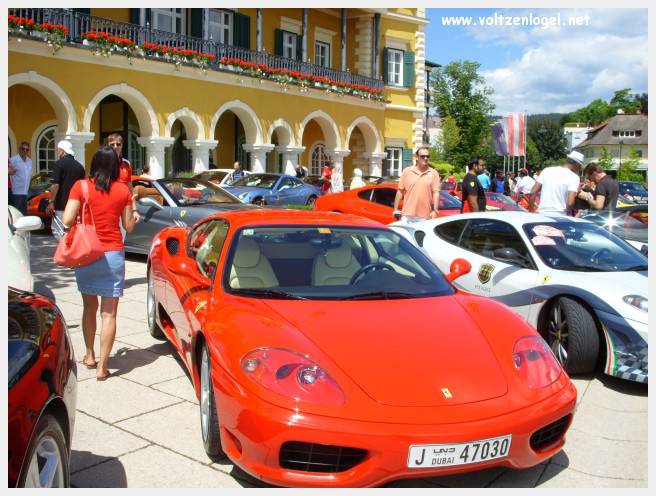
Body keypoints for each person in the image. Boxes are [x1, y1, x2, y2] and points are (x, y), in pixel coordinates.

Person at [61, 146, 137, 381]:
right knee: (109, 314)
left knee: (89, 308)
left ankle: (90, 355)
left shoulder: (81, 186)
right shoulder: (123, 190)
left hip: (87, 253)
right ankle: (103, 367)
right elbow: (129, 226)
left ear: (93, 164)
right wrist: (134, 214)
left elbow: (66, 220)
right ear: (116, 166)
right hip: (113, 253)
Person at [47, 140, 86, 240]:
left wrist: (51, 201)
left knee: (59, 233)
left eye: (58, 150)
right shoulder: (80, 167)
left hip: (61, 206)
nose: (57, 152)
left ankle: (63, 254)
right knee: (72, 234)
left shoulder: (59, 164)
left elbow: (55, 185)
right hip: (75, 206)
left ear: (62, 151)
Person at [393, 146, 441, 220]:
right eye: (423, 156)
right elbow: (400, 191)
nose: (425, 158)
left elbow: (436, 193)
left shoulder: (434, 173)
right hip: (407, 215)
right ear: (417, 157)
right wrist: (395, 210)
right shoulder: (407, 171)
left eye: (427, 156)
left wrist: (435, 210)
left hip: (425, 216)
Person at [529, 151, 583, 215]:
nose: (579, 169)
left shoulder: (547, 170)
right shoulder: (574, 177)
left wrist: (532, 211)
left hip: (542, 213)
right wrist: (567, 212)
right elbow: (570, 203)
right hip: (560, 216)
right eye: (579, 167)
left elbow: (533, 192)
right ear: (576, 165)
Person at [105, 133, 139, 232]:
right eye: (112, 144)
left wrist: (134, 209)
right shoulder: (103, 162)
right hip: (108, 206)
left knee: (122, 235)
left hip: (124, 205)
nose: (115, 147)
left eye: (118, 144)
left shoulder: (127, 164)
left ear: (122, 146)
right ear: (108, 146)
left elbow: (130, 188)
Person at [9, 141, 33, 214]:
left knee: (24, 214)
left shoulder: (30, 161)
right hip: (16, 192)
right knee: (16, 214)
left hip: (25, 192)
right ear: (19, 149)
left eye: (27, 149)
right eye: (23, 149)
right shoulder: (13, 160)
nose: (25, 151)